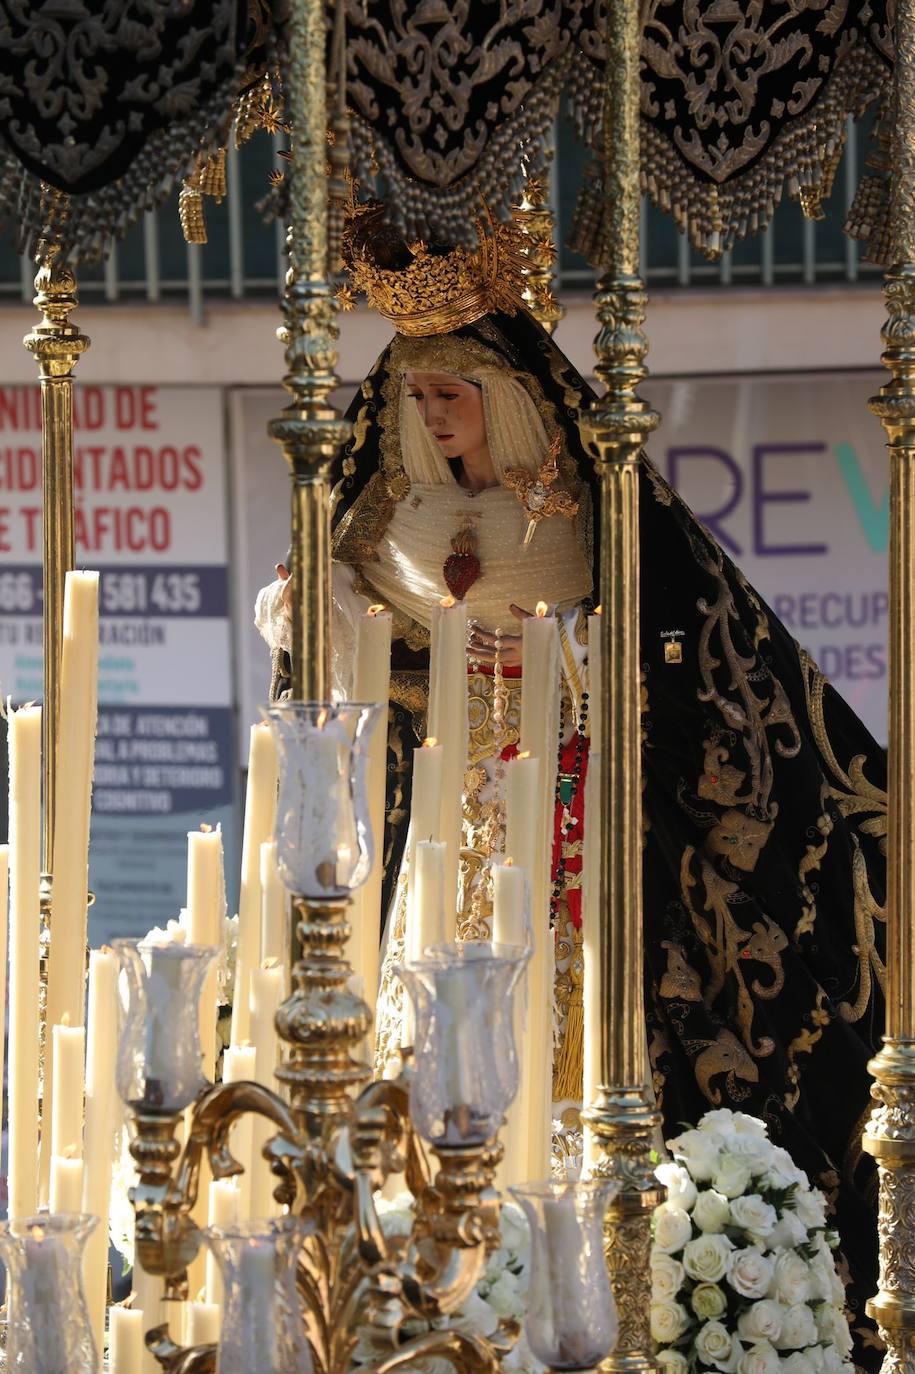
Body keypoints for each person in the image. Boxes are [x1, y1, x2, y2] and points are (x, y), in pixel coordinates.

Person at [255, 203, 886, 1353]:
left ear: (504, 393)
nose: (433, 418)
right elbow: (346, 635)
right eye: (417, 398)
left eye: (450, 394)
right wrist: (317, 615)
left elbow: (682, 649)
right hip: (451, 802)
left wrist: (579, 667)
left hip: (568, 797)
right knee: (430, 984)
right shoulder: (394, 508)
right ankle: (439, 1225)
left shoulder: (592, 510)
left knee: (575, 1001)